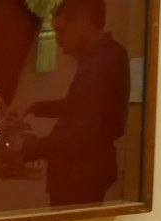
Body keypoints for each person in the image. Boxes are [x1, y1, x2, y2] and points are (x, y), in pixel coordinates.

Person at [19, 0, 131, 206]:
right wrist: (41, 107)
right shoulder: (110, 53)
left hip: (79, 172)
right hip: (87, 169)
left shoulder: (99, 64)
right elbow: (88, 106)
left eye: (61, 30)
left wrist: (27, 148)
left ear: (83, 21)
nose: (57, 39)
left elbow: (83, 133)